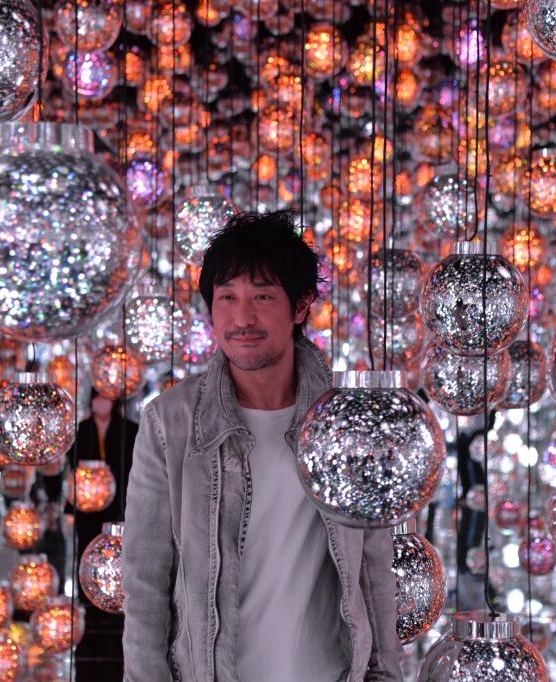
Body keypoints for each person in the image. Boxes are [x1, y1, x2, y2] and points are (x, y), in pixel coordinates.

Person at [122, 211, 403, 681]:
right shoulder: (170, 423)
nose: (242, 318)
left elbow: (374, 569)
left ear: (301, 305)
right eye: (227, 297)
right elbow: (145, 583)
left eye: (263, 296)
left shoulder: (346, 422)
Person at [40, 389, 138, 679]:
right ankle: (90, 601)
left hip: (119, 504)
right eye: (97, 398)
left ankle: (116, 600)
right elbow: (66, 467)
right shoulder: (81, 429)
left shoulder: (128, 429)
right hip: (86, 505)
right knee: (87, 549)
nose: (101, 403)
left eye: (105, 398)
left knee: (118, 551)